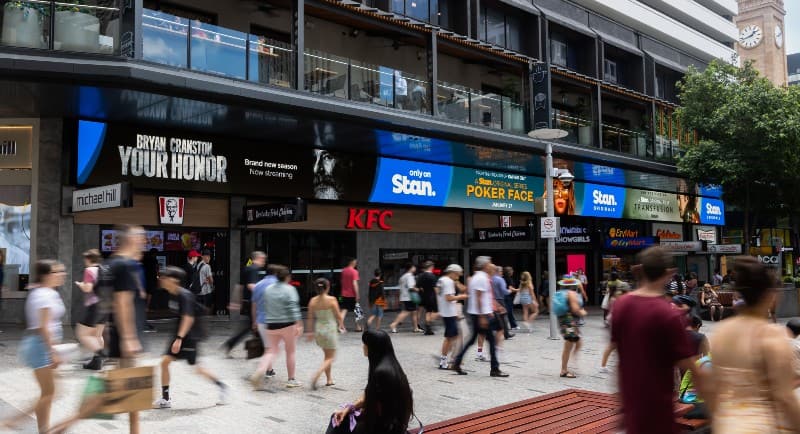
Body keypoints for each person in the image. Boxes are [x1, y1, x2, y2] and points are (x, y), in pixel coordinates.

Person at [608, 246, 702, 434]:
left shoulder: (621, 305)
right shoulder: (669, 314)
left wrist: (622, 404)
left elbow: (619, 358)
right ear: (669, 273)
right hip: (658, 413)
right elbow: (691, 369)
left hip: (632, 409)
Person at [709, 256, 800, 433]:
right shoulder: (772, 335)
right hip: (761, 427)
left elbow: (714, 388)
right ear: (770, 295)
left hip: (727, 425)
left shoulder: (722, 332)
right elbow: (785, 398)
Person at [2, 260, 66, 433]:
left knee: (50, 393)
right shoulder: (44, 294)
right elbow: (43, 327)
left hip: (41, 344)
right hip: (40, 346)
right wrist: (52, 351)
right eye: (57, 272)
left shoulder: (46, 292)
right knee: (50, 393)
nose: (62, 274)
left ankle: (42, 429)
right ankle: (13, 421)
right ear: (46, 275)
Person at [153, 266, 228, 409]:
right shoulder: (173, 294)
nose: (161, 280)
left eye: (164, 277)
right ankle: (165, 398)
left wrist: (179, 339)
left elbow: (188, 318)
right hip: (181, 335)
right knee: (164, 363)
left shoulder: (184, 295)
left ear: (174, 280)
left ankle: (222, 387)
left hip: (188, 337)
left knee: (197, 368)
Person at [327, 330, 414, 434]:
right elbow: (367, 397)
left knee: (337, 421)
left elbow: (375, 410)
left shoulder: (381, 372)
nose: (363, 346)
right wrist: (349, 408)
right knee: (342, 416)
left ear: (373, 347)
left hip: (384, 428)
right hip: (392, 425)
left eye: (365, 344)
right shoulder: (391, 365)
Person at [106, 225, 147, 434]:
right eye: (141, 237)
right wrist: (129, 338)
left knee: (132, 392)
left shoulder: (116, 263)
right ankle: (61, 426)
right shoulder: (123, 265)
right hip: (124, 338)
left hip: (119, 335)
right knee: (124, 392)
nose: (145, 241)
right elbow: (121, 302)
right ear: (131, 239)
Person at [451, 257, 509, 378]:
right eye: (489, 263)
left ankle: (457, 362)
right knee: (492, 341)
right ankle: (495, 369)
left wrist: (494, 307)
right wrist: (483, 316)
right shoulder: (481, 278)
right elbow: (478, 297)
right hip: (480, 315)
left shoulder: (477, 277)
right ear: (484, 265)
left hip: (480, 313)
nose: (491, 265)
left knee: (473, 340)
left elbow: (484, 297)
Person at [250, 266, 303, 389]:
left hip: (271, 324)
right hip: (287, 324)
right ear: (287, 277)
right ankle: (291, 379)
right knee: (290, 352)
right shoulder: (290, 289)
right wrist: (299, 324)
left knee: (271, 351)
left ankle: (259, 372)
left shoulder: (268, 289)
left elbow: (264, 305)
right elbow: (294, 308)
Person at [224, 251, 265, 356]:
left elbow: (239, 286)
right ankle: (265, 352)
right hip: (253, 303)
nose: (264, 261)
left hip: (248, 302)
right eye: (263, 259)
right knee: (256, 326)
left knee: (251, 327)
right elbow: (251, 286)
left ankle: (231, 344)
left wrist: (236, 301)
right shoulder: (253, 269)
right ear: (258, 258)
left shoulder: (247, 268)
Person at [306, 278, 344, 389]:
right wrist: (341, 324)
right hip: (330, 330)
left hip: (319, 330)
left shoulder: (312, 301)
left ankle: (329, 379)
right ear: (327, 287)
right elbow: (338, 316)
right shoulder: (332, 300)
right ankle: (317, 375)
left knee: (327, 356)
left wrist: (309, 332)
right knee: (330, 358)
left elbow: (309, 319)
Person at [75, 249, 105, 370]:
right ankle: (96, 362)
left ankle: (101, 354)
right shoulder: (104, 270)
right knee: (97, 335)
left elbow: (88, 289)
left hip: (94, 306)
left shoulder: (89, 270)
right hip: (106, 306)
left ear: (88, 259)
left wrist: (80, 284)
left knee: (82, 334)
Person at [436, 264, 467, 370]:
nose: (459, 276)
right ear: (453, 272)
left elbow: (438, 293)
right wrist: (462, 296)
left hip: (447, 312)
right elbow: (448, 298)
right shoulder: (448, 282)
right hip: (449, 313)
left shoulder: (441, 280)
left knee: (453, 337)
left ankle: (445, 359)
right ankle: (443, 361)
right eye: (458, 274)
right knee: (450, 338)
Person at [556, 278, 586, 378]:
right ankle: (564, 370)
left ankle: (570, 364)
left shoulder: (561, 293)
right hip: (570, 322)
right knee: (569, 345)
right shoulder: (571, 294)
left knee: (577, 342)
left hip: (565, 321)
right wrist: (582, 312)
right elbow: (575, 308)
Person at [251, 264, 277, 378]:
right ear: (276, 273)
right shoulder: (278, 284)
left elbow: (254, 305)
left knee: (268, 346)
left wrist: (254, 321)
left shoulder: (258, 285)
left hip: (261, 320)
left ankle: (269, 370)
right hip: (275, 320)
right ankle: (261, 370)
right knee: (274, 348)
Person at [389, 264, 420, 333]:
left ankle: (416, 328)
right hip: (409, 297)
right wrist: (418, 289)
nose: (415, 268)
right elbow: (411, 287)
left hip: (405, 296)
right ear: (411, 268)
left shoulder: (403, 276)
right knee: (406, 311)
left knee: (414, 312)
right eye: (414, 267)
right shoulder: (409, 276)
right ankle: (394, 324)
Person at [416, 260, 438, 335]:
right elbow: (435, 289)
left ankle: (428, 328)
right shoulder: (432, 276)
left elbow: (418, 287)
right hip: (431, 296)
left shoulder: (420, 276)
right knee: (433, 312)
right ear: (431, 267)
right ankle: (428, 326)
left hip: (423, 296)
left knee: (427, 312)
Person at [339, 258, 361, 332]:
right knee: (357, 311)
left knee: (344, 310)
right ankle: (358, 327)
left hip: (344, 294)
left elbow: (342, 282)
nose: (356, 263)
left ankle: (340, 326)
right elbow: (355, 284)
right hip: (352, 295)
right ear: (352, 262)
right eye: (355, 262)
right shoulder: (354, 271)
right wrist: (357, 294)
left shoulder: (343, 271)